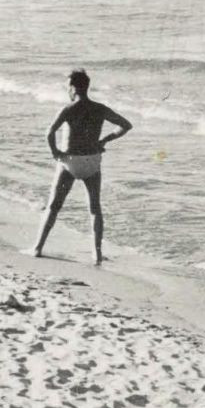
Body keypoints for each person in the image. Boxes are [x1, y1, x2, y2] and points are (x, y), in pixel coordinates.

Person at [31, 69, 133, 266]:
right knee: (95, 208)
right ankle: (97, 253)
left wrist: (55, 153)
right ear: (86, 87)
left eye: (68, 86)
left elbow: (49, 133)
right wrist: (104, 140)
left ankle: (38, 248)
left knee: (53, 206)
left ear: (72, 88)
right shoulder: (100, 108)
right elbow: (126, 125)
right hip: (91, 162)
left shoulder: (68, 109)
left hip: (70, 161)